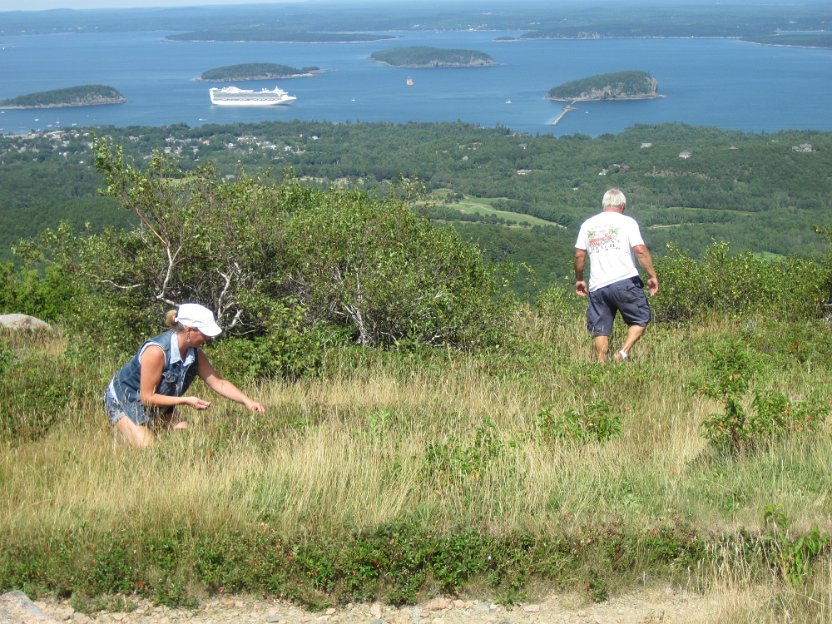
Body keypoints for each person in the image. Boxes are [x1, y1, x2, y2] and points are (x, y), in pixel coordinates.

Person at [104, 303, 266, 448]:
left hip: (159, 403)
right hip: (126, 400)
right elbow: (146, 397)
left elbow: (219, 382)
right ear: (189, 330)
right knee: (149, 450)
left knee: (185, 441)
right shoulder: (156, 352)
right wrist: (186, 401)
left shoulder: (195, 354)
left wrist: (247, 401)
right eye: (204, 333)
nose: (208, 339)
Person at [574, 189, 659, 362]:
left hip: (597, 286)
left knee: (601, 329)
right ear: (622, 206)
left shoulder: (588, 224)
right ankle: (622, 353)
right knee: (641, 318)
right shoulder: (627, 222)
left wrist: (579, 279)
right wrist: (651, 276)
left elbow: (579, 255)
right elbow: (640, 250)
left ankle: (600, 367)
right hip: (624, 281)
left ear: (604, 204)